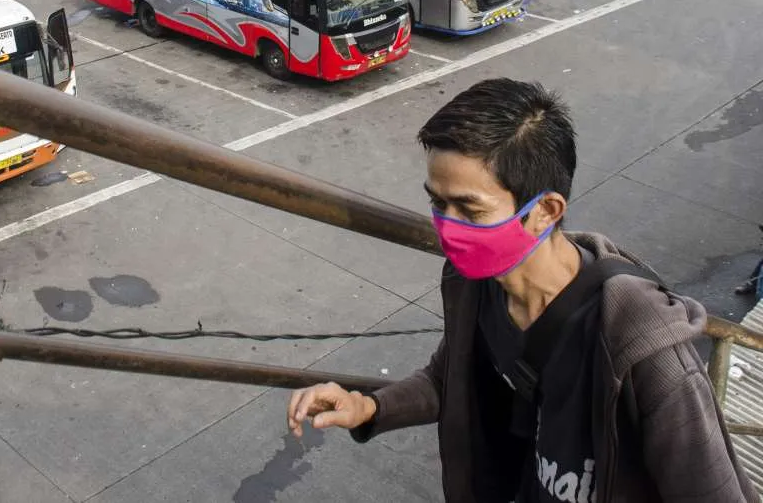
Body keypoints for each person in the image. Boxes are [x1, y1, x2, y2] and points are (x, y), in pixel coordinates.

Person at [287, 78, 758, 503]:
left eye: (470, 209)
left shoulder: (639, 339)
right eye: (437, 202)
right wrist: (369, 406)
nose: (448, 228)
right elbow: (448, 376)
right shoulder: (474, 283)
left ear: (547, 210)